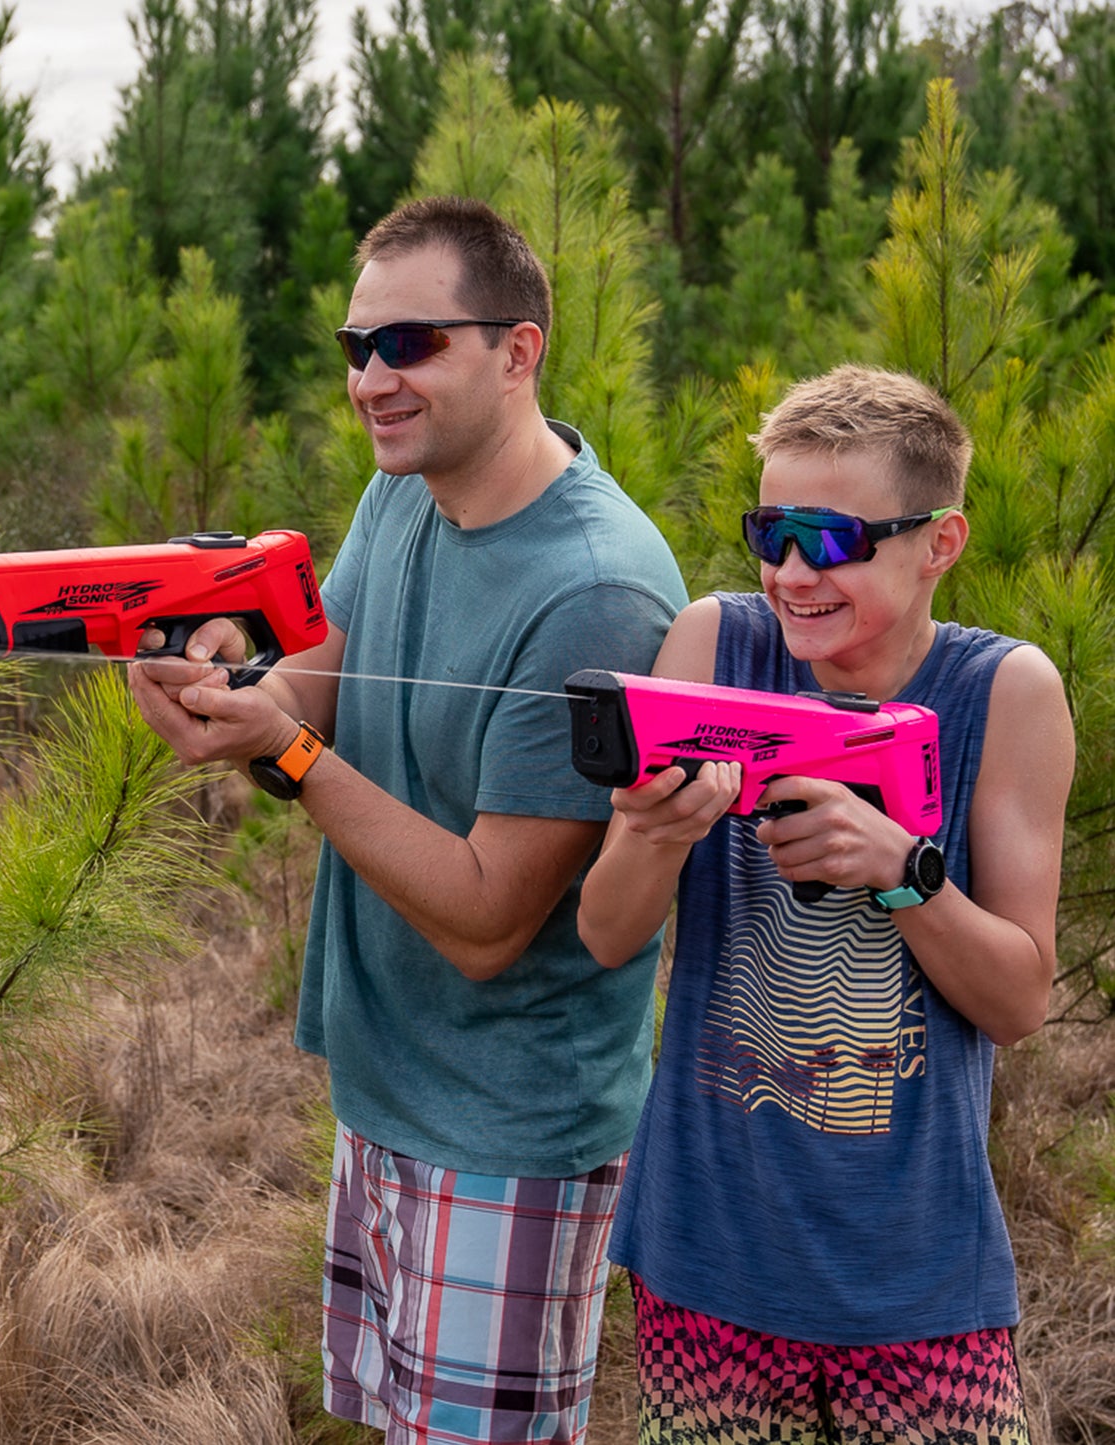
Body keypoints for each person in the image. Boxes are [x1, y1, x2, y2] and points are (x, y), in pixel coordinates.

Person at [127, 195, 687, 1444]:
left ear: (518, 349)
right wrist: (226, 692)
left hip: (507, 1129)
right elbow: (325, 681)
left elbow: (491, 916)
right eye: (356, 348)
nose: (373, 378)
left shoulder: (591, 591)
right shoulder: (407, 489)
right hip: (386, 1090)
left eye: (412, 344)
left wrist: (283, 743)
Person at [577, 364, 1075, 1443]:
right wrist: (656, 834)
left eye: (833, 539)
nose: (792, 570)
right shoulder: (718, 645)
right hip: (706, 1253)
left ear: (939, 541)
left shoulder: (1005, 691)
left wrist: (899, 868)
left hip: (915, 1276)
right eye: (769, 531)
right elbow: (606, 931)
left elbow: (1018, 998)